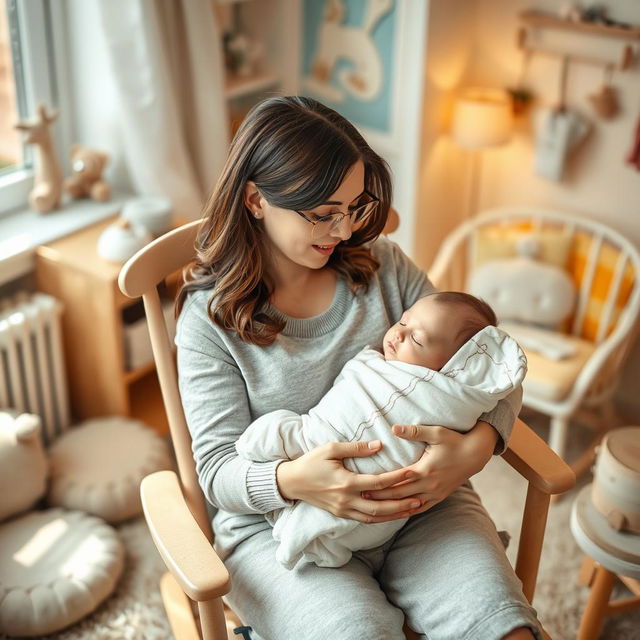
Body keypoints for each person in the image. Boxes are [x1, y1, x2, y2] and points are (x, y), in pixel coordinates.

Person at [175, 95, 541, 640]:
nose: (344, 231)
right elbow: (217, 472)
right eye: (324, 213)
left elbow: (489, 362)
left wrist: (479, 445)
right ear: (255, 199)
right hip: (281, 528)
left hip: (420, 500)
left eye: (355, 207)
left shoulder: (383, 268)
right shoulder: (210, 322)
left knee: (500, 625)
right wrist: (298, 480)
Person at [235, 292, 527, 570]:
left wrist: (480, 445)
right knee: (296, 435)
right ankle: (305, 533)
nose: (398, 333)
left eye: (416, 338)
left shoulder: (447, 380)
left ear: (456, 369)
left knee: (495, 607)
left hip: (399, 501)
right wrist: (289, 480)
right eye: (402, 321)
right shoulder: (211, 314)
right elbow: (215, 469)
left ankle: (306, 535)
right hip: (299, 463)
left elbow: (505, 380)